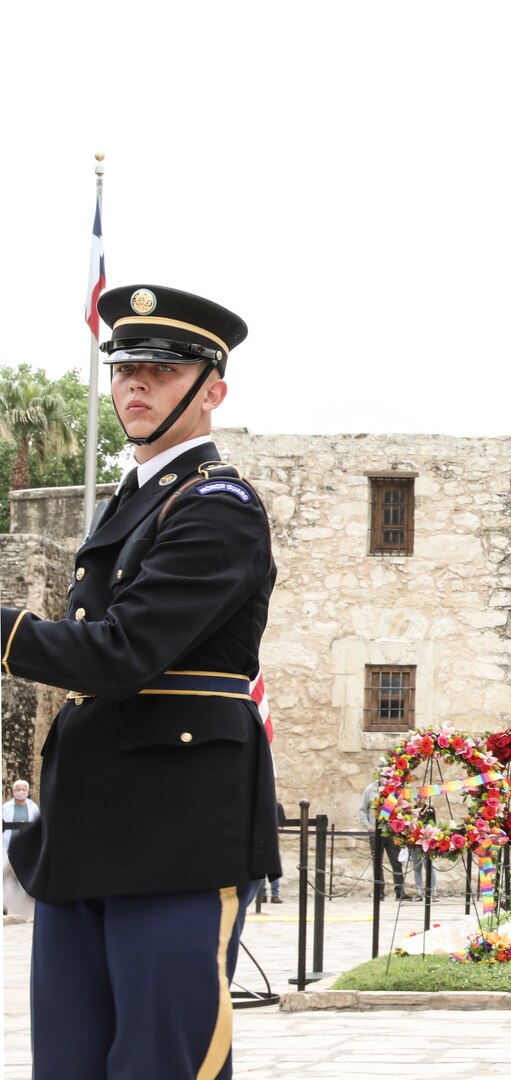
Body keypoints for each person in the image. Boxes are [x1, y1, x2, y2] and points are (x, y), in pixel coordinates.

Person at [1, 284, 279, 1079]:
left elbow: (123, 653)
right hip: (92, 828)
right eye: (125, 366)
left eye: (162, 368)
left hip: (177, 832)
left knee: (163, 1061)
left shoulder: (218, 506)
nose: (136, 384)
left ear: (211, 390)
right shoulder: (131, 504)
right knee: (67, 1062)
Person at [361, 779, 407, 902]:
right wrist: (369, 827)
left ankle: (400, 892)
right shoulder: (370, 789)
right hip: (375, 833)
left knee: (396, 862)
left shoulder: (394, 790)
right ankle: (379, 891)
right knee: (377, 863)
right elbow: (362, 810)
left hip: (390, 832)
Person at [3, 780, 41, 918]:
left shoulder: (33, 807)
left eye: (23, 789)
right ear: (13, 792)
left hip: (27, 849)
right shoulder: (6, 807)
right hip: (9, 846)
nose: (21, 792)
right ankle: (4, 906)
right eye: (18, 789)